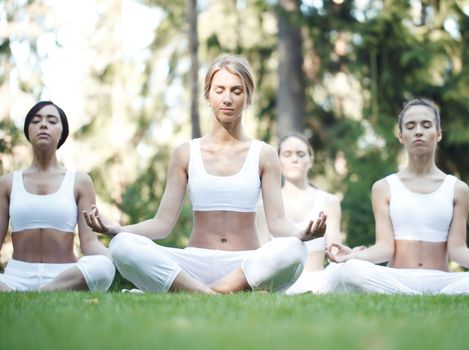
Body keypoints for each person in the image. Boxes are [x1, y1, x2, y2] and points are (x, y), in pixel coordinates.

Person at [84, 55, 326, 294]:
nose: (227, 98)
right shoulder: (185, 153)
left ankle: (204, 291)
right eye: (219, 90)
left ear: (248, 97)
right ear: (208, 95)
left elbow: (277, 223)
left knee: (295, 248)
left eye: (237, 91)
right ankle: (211, 292)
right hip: (193, 264)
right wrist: (119, 229)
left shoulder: (264, 154)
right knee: (122, 246)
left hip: (243, 265)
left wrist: (300, 233)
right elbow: (162, 224)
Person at [325, 98, 469, 295]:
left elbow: (458, 250)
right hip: (397, 277)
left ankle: (424, 296)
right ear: (401, 136)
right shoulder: (384, 187)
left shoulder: (457, 189)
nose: (418, 131)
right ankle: (420, 297)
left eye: (426, 125)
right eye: (410, 126)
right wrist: (352, 256)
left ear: (438, 134)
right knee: (350, 269)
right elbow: (384, 248)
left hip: (440, 279)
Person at [0, 101, 115, 291]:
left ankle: (43, 292)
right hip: (15, 278)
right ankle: (36, 293)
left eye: (52, 121)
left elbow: (89, 244)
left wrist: (120, 259)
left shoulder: (80, 181)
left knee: (103, 266)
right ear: (28, 130)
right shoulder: (7, 183)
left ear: (63, 132)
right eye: (36, 120)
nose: (43, 124)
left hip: (65, 276)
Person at [256, 133, 342, 294]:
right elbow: (261, 253)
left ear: (310, 159)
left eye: (300, 154)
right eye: (287, 154)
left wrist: (349, 256)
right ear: (278, 161)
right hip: (279, 285)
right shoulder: (263, 206)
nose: (294, 159)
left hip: (319, 281)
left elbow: (334, 249)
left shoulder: (329, 202)